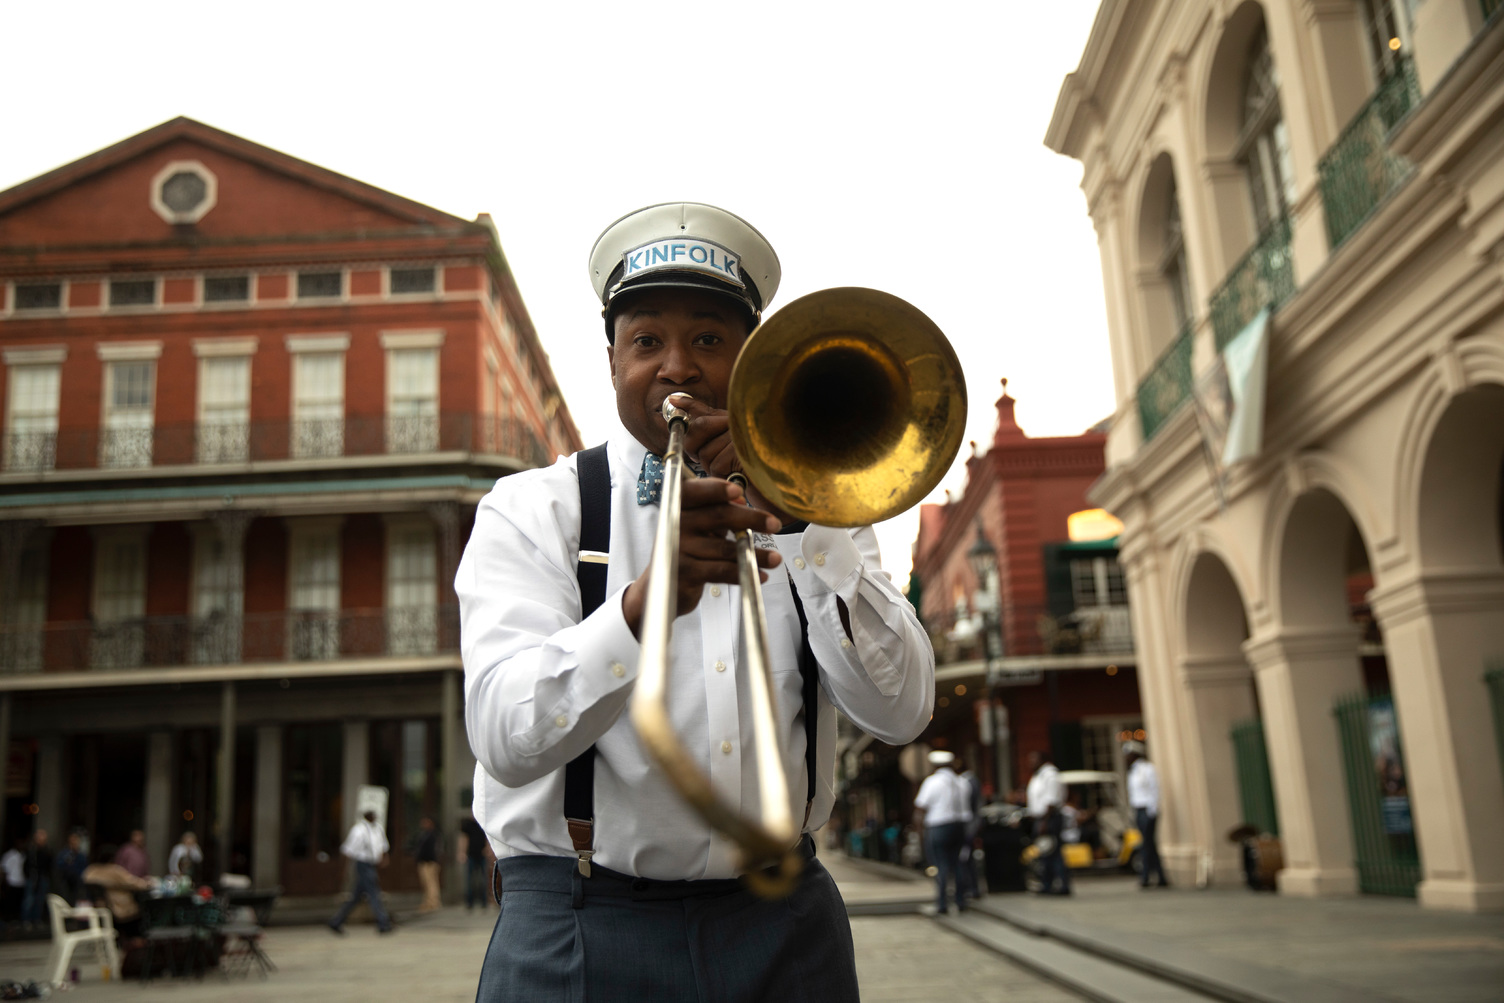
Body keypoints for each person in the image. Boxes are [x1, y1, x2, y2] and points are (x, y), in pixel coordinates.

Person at [459, 202, 935, 1001]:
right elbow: (505, 736)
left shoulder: (828, 510)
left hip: (786, 927)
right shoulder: (534, 509)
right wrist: (644, 606)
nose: (678, 367)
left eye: (710, 340)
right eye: (647, 341)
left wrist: (811, 531)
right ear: (611, 361)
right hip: (578, 919)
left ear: (756, 358)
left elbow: (904, 709)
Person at [912, 750, 974, 914]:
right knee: (959, 863)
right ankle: (960, 901)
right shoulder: (962, 782)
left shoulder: (932, 782)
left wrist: (920, 832)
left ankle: (942, 903)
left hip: (939, 826)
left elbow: (920, 807)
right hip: (960, 826)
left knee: (941, 864)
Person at [328, 810, 392, 934]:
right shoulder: (358, 830)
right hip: (363, 864)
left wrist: (385, 859)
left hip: (372, 864)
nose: (374, 817)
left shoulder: (378, 829)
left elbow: (384, 846)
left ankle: (336, 921)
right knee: (374, 893)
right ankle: (383, 922)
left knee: (356, 897)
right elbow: (348, 851)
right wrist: (343, 870)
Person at [82, 844, 152, 938]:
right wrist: (148, 883)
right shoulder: (114, 871)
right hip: (121, 910)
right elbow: (133, 883)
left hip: (100, 910)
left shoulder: (90, 871)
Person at [1026, 750, 1071, 895]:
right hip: (1042, 817)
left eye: (1034, 759)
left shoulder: (1050, 775)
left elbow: (1051, 801)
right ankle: (1047, 884)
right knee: (1046, 853)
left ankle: (1063, 885)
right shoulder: (1038, 775)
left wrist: (1044, 822)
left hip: (1049, 818)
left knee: (1054, 851)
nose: (1030, 762)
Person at [1125, 740, 1169, 888]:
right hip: (1138, 809)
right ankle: (1161, 877)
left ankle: (1145, 877)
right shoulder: (1132, 771)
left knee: (1146, 844)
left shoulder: (1147, 768)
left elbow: (1154, 790)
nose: (1126, 757)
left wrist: (1152, 810)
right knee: (1149, 844)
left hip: (1147, 810)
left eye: (1129, 754)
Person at [21, 829, 53, 926]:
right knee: (29, 899)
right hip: (32, 877)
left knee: (40, 900)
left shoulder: (47, 851)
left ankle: (36, 919)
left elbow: (50, 865)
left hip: (42, 877)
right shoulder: (31, 850)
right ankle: (25, 920)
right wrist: (28, 875)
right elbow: (26, 865)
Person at [460, 814, 491, 911]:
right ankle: (470, 902)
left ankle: (484, 902)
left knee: (483, 879)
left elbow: (488, 837)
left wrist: (487, 849)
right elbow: (464, 839)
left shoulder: (483, 824)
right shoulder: (468, 825)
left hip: (481, 855)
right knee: (470, 880)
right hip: (471, 855)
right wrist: (463, 852)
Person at [412, 816, 442, 913]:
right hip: (423, 861)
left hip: (430, 862)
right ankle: (427, 902)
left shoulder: (433, 836)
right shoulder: (423, 835)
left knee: (431, 883)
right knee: (425, 883)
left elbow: (434, 850)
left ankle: (434, 902)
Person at [52, 831, 89, 906]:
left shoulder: (81, 855)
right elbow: (59, 866)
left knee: (74, 901)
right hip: (65, 882)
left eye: (77, 840)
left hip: (77, 883)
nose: (75, 842)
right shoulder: (64, 854)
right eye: (73, 840)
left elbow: (84, 868)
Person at [1, 838, 25, 933]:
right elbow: (3, 869)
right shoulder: (9, 855)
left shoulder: (23, 855)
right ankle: (7, 921)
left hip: (20, 882)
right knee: (9, 902)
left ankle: (14, 920)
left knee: (17, 902)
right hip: (11, 882)